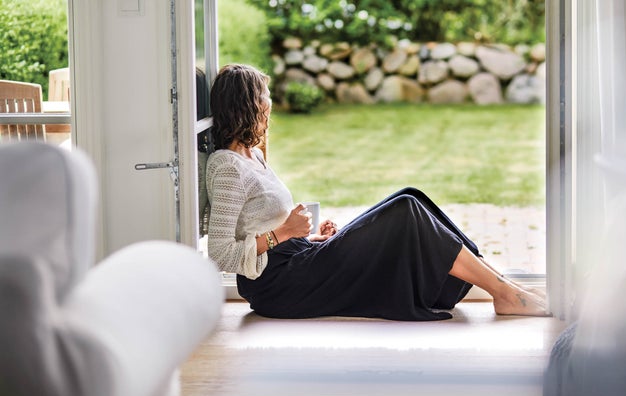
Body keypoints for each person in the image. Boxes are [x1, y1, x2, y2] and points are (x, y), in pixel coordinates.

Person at [206, 63, 547, 321]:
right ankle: (504, 293)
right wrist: (284, 234)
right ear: (247, 104)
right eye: (263, 96)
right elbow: (222, 254)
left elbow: (255, 230)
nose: (269, 104)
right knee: (404, 213)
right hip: (278, 286)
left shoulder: (254, 156)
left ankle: (506, 285)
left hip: (297, 259)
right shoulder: (226, 166)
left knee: (409, 197)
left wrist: (308, 240)